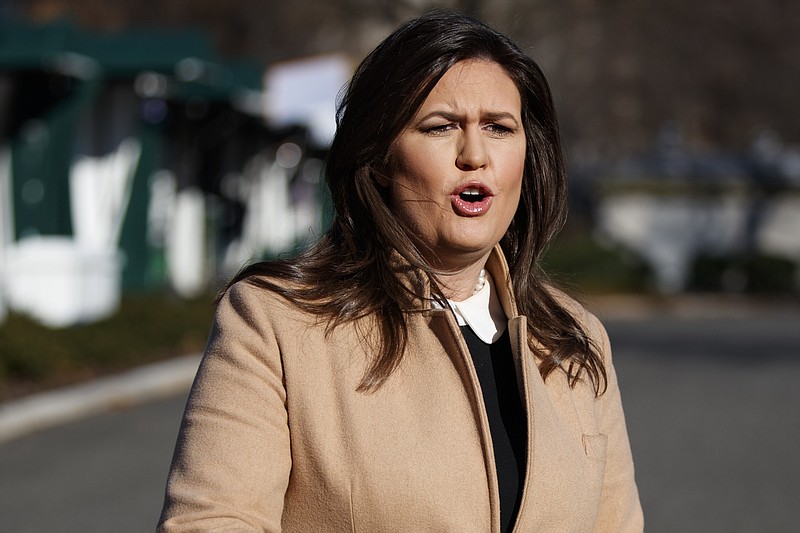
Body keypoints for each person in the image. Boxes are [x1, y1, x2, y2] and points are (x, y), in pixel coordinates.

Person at [158, 10, 643, 532]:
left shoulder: (575, 340)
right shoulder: (276, 322)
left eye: (499, 128)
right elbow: (210, 522)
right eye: (441, 127)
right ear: (382, 157)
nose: (474, 155)